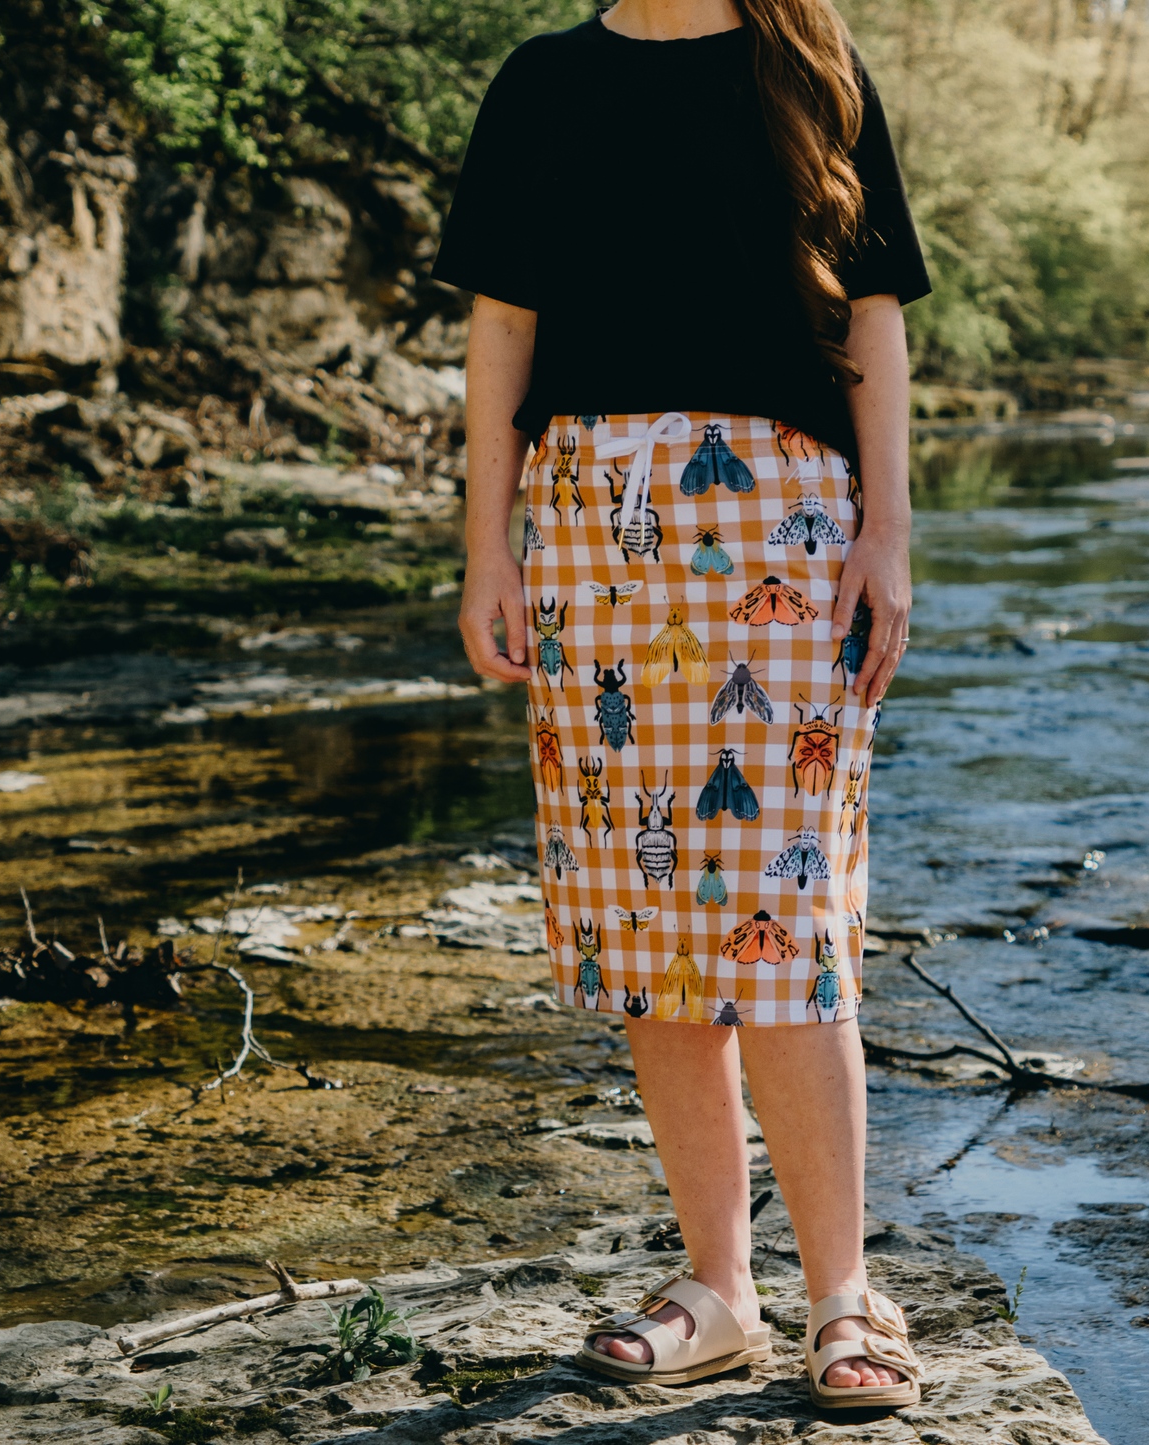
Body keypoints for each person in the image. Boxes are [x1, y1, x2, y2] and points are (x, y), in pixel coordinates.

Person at [439, 0, 928, 1412]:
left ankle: (844, 1296)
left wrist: (885, 533)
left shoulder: (812, 66)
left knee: (790, 910)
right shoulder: (544, 82)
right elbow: (503, 325)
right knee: (648, 916)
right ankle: (721, 1289)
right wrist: (488, 545)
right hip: (590, 523)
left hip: (788, 519)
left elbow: (876, 317)